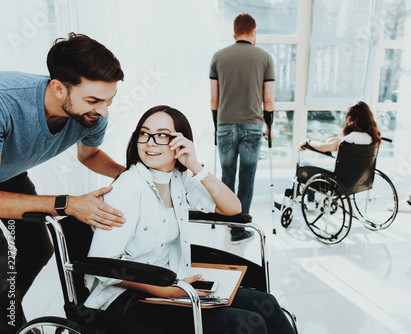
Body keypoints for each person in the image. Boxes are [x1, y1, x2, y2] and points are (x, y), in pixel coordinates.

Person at [84, 105, 295, 334]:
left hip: (171, 280)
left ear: (180, 141)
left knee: (268, 305)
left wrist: (194, 164)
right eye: (144, 134)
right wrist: (164, 290)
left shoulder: (178, 178)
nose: (151, 142)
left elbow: (233, 208)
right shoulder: (128, 189)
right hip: (125, 298)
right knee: (243, 324)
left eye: (163, 135)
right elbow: (103, 265)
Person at [0, 33, 125, 333]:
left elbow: (90, 154)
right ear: (58, 88)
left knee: (36, 248)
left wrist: (131, 174)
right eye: (94, 100)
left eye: (109, 100)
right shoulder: (6, 103)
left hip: (8, 171)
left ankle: (7, 316)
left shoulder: (93, 115)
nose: (104, 111)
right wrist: (67, 203)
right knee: (2, 265)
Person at [210, 13, 275, 244]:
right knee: (247, 178)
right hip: (253, 126)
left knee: (226, 176)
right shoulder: (265, 58)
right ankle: (239, 230)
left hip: (225, 125)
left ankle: (227, 221)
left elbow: (214, 100)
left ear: (234, 32)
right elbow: (268, 100)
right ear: (253, 31)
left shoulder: (218, 57)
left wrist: (217, 126)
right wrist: (269, 125)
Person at [299, 101, 382, 153]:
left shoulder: (352, 138)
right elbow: (332, 142)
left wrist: (308, 142)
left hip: (343, 177)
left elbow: (323, 148)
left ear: (351, 119)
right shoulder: (371, 137)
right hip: (361, 177)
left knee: (304, 164)